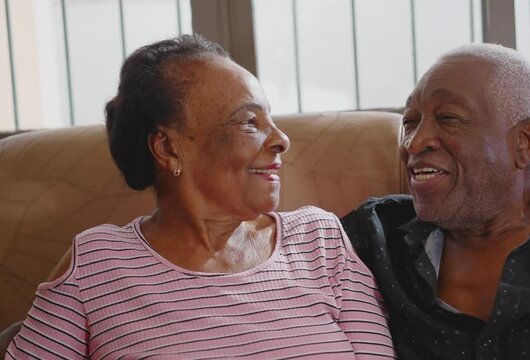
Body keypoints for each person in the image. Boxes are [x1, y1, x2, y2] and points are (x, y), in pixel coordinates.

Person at [4, 34, 394, 359]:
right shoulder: (97, 264)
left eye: (271, 118)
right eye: (249, 121)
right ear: (169, 148)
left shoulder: (320, 239)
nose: (281, 139)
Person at [342, 43, 530, 359]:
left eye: (448, 117)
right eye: (411, 122)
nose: (414, 143)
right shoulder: (374, 236)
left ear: (525, 142)